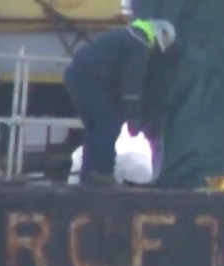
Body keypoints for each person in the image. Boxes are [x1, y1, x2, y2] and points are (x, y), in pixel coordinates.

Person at [64, 18, 176, 186]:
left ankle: (89, 174)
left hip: (78, 74)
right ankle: (101, 172)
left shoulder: (127, 36)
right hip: (90, 77)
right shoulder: (139, 44)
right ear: (160, 36)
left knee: (95, 126)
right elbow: (131, 81)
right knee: (108, 124)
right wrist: (133, 116)